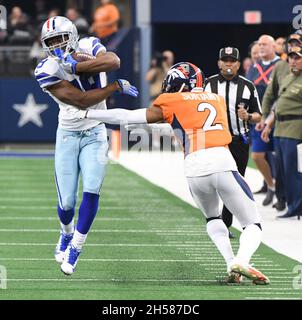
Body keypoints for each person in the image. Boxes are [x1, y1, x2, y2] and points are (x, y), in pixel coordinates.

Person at [76, 62, 270, 285]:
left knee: (213, 217)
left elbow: (128, 117)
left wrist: (89, 114)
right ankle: (241, 260)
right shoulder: (217, 98)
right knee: (252, 224)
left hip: (194, 167)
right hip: (221, 160)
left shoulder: (171, 101)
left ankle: (230, 264)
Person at [34, 16, 138, 275]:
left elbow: (113, 60)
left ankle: (76, 247)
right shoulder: (46, 69)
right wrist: (112, 85)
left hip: (95, 133)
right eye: (51, 41)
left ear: (71, 35)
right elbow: (81, 100)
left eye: (60, 38)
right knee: (67, 202)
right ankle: (66, 233)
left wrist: (77, 62)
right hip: (68, 134)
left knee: (91, 189)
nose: (57, 45)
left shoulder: (89, 44)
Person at [205, 47, 262, 239]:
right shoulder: (207, 84)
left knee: (236, 183)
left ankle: (226, 223)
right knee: (213, 182)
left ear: (238, 63)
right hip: (215, 141)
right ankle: (216, 221)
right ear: (219, 63)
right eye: (225, 60)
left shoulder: (248, 86)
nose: (229, 64)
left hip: (238, 140)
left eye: (232, 60)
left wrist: (248, 116)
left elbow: (258, 115)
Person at [260, 33, 302, 211]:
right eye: (290, 47)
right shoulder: (285, 73)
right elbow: (275, 98)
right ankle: (286, 202)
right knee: (283, 170)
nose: (293, 58)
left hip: (295, 127)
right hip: (280, 127)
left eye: (296, 46)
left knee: (293, 171)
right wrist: (267, 122)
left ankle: (295, 206)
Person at [246, 35, 280, 205]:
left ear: (273, 46)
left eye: (264, 44)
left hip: (278, 117)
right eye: (259, 44)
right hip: (258, 119)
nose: (261, 47)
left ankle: (282, 191)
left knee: (278, 157)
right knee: (258, 155)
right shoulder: (253, 68)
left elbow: (280, 94)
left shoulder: (281, 66)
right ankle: (271, 185)